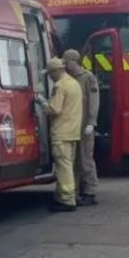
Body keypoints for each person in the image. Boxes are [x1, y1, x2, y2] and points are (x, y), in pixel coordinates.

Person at [36, 57, 83, 212]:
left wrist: (42, 101)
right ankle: (66, 195)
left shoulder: (60, 86)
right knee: (69, 164)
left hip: (61, 132)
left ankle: (67, 200)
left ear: (56, 71)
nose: (49, 76)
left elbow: (54, 109)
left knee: (64, 167)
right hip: (73, 132)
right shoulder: (74, 83)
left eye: (50, 73)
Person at [63, 49, 100, 206]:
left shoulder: (88, 78)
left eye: (67, 62)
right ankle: (75, 191)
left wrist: (92, 121)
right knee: (73, 161)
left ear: (74, 61)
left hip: (84, 125)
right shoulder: (67, 78)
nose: (66, 66)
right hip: (72, 126)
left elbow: (94, 100)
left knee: (86, 159)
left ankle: (90, 191)